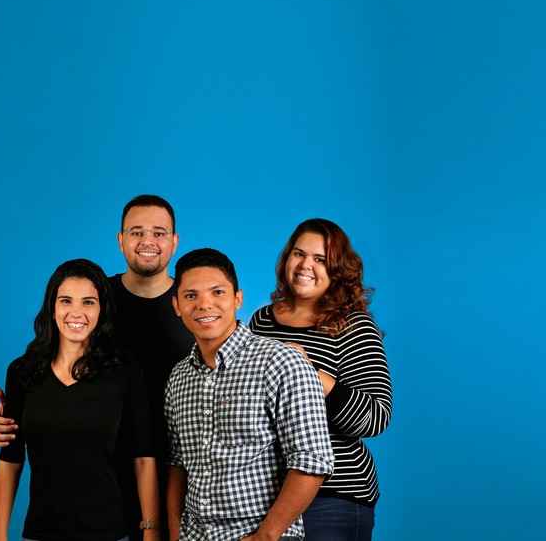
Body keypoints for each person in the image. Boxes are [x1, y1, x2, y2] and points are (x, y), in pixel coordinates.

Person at [0, 195, 191, 540]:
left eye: (159, 233)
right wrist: (9, 422)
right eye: (136, 231)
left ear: (174, 242)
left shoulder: (193, 305)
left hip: (178, 476)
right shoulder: (98, 291)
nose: (147, 241)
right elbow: (17, 443)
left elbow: (230, 361)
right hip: (96, 479)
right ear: (120, 240)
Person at [165, 248, 334, 541]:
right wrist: (175, 532)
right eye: (191, 296)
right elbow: (178, 462)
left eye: (217, 292)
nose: (205, 305)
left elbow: (312, 460)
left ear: (237, 299)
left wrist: (264, 537)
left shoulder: (281, 362)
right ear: (177, 306)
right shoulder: (179, 377)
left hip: (257, 535)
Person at [0, 259, 161, 541]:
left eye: (88, 302)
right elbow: (10, 457)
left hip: (109, 532)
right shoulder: (23, 372)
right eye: (66, 300)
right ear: (52, 307)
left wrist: (151, 531)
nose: (76, 312)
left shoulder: (125, 371)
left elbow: (143, 457)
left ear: (101, 309)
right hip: (41, 531)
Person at [248, 219, 392, 541]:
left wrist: (314, 377)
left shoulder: (353, 326)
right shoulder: (261, 321)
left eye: (320, 259)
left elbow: (376, 418)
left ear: (337, 269)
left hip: (334, 495)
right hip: (268, 495)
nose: (305, 265)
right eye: (299, 254)